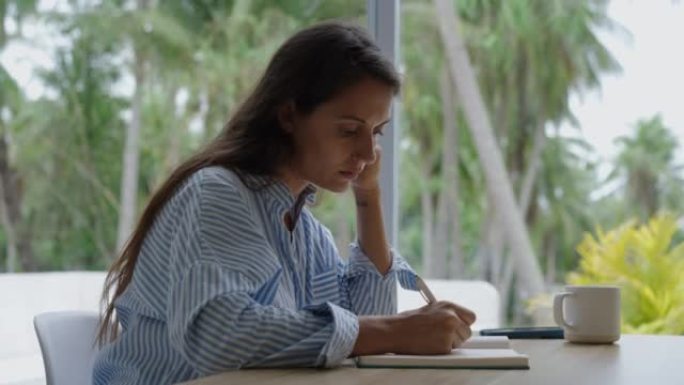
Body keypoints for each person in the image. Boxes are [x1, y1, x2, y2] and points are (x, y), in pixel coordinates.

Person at [93, 21, 476, 385]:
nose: (368, 152)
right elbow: (218, 337)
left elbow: (364, 324)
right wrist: (396, 331)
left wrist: (369, 196)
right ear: (288, 115)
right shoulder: (217, 195)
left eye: (376, 133)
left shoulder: (306, 232)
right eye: (349, 130)